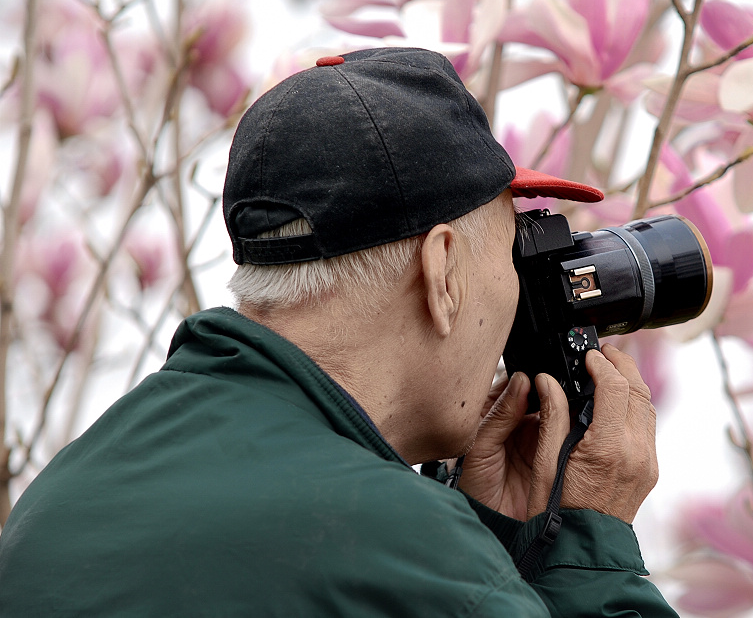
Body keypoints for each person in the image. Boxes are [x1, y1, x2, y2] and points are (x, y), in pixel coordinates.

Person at [0, 47, 677, 616]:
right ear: (441, 271)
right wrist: (591, 549)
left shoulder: (64, 493)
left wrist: (494, 551)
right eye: (511, 251)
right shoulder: (401, 543)